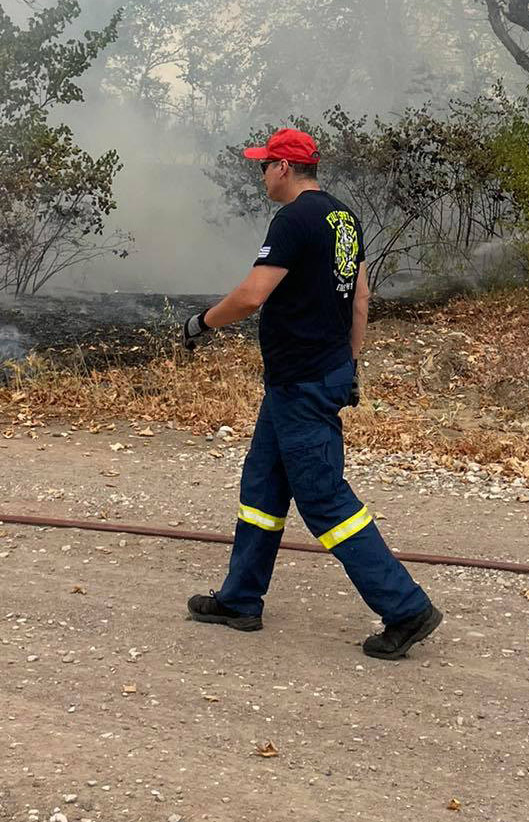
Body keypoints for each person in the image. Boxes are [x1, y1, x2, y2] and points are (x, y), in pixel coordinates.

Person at [180, 126, 442, 660]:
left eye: (264, 165)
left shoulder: (294, 219)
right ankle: (240, 600)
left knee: (324, 499)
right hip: (305, 378)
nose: (261, 175)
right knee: (262, 488)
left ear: (283, 167)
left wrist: (201, 323)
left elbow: (253, 295)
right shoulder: (343, 217)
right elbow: (360, 296)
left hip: (301, 383)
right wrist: (350, 364)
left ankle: (405, 608)